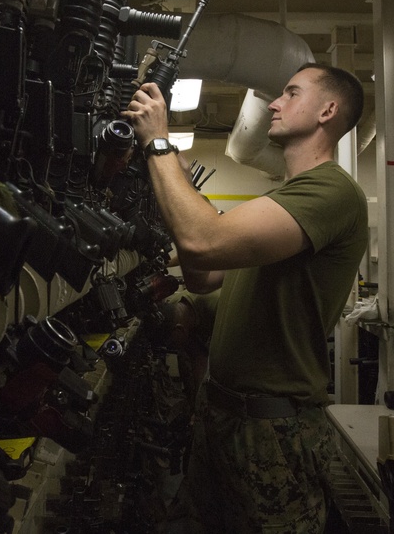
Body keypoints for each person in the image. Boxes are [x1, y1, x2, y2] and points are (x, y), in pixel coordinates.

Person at [122, 63, 369, 533]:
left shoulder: (332, 191)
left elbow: (202, 243)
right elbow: (205, 273)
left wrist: (158, 142)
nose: (274, 103)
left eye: (291, 93)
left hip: (270, 434)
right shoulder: (286, 197)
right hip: (223, 420)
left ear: (328, 110)